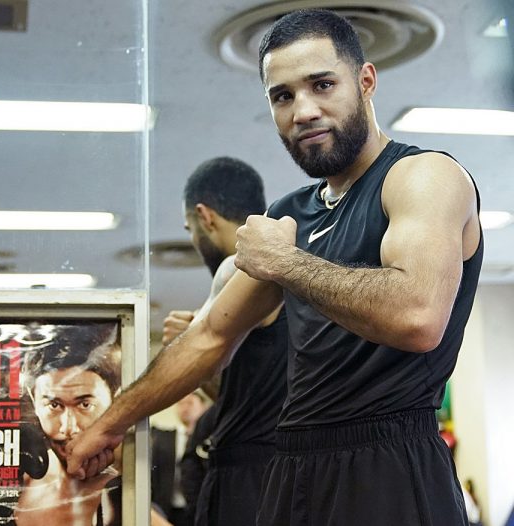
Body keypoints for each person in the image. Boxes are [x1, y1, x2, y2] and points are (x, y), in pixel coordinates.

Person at [66, 8, 482, 526]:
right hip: (292, 467)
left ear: (366, 81)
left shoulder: (422, 177)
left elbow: (418, 316)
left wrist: (287, 263)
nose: (303, 110)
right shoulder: (292, 215)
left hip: (390, 460)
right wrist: (109, 424)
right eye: (282, 96)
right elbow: (208, 338)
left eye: (322, 85)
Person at [161, 156, 288, 526]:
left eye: (189, 228)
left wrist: (110, 424)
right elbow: (245, 399)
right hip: (277, 473)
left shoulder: (240, 269)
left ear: (205, 216)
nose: (193, 239)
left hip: (255, 480)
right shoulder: (292, 265)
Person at [16, 323, 122, 526]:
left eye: (85, 404)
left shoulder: (123, 491)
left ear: (114, 402)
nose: (69, 428)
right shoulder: (16, 484)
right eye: (54, 405)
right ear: (35, 403)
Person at [150, 392, 210, 526]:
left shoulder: (211, 440)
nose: (185, 408)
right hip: (169, 510)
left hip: (199, 510)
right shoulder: (164, 439)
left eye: (190, 403)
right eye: (180, 404)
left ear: (204, 406)